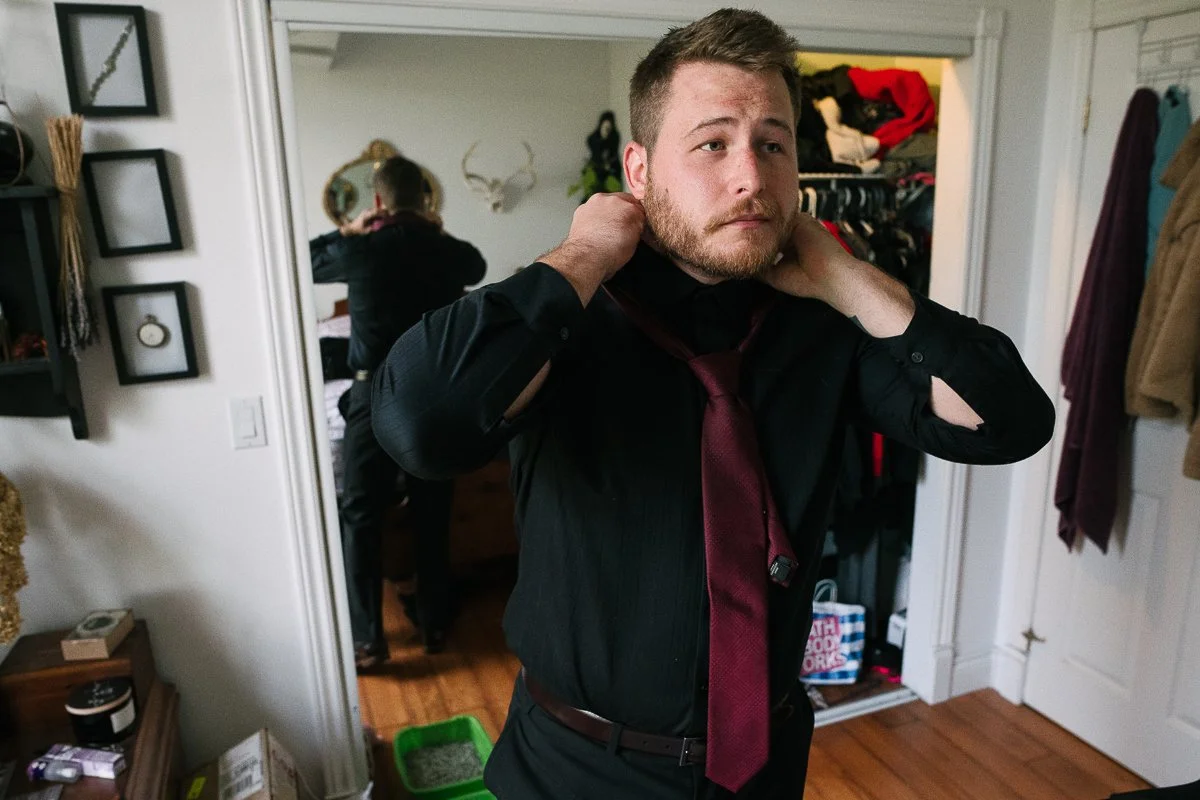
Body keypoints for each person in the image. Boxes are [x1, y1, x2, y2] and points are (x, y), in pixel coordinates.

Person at [371, 9, 1054, 799]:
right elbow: (417, 425)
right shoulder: (567, 324)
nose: (750, 178)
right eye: (712, 143)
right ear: (639, 168)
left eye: (772, 143)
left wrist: (851, 280)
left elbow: (1010, 422)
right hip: (575, 768)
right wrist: (585, 254)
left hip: (766, 762)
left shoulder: (824, 327)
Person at [310, 155, 486, 667]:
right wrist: (440, 229)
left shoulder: (360, 249)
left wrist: (348, 228)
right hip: (436, 396)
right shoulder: (447, 251)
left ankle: (368, 639)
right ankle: (433, 622)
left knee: (361, 515)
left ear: (379, 200)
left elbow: (300, 260)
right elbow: (476, 266)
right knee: (433, 513)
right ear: (425, 200)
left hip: (371, 396)